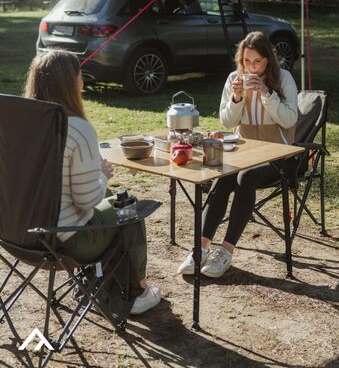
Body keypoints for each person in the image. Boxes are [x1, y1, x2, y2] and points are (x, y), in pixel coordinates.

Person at [23, 50, 161, 314]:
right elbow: (86, 200)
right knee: (128, 206)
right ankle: (137, 292)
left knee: (110, 195)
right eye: (79, 76)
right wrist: (102, 174)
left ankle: (98, 281)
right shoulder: (77, 128)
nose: (83, 82)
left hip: (20, 235)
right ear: (69, 83)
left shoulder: (23, 126)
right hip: (65, 242)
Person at [178, 31, 298, 278]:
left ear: (268, 61)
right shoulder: (235, 78)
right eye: (246, 61)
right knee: (225, 176)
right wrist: (236, 98)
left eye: (257, 62)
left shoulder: (283, 78)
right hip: (243, 151)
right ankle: (199, 249)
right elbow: (226, 121)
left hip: (277, 154)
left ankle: (226, 250)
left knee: (245, 178)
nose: (250, 67)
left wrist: (266, 93)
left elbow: (289, 119)